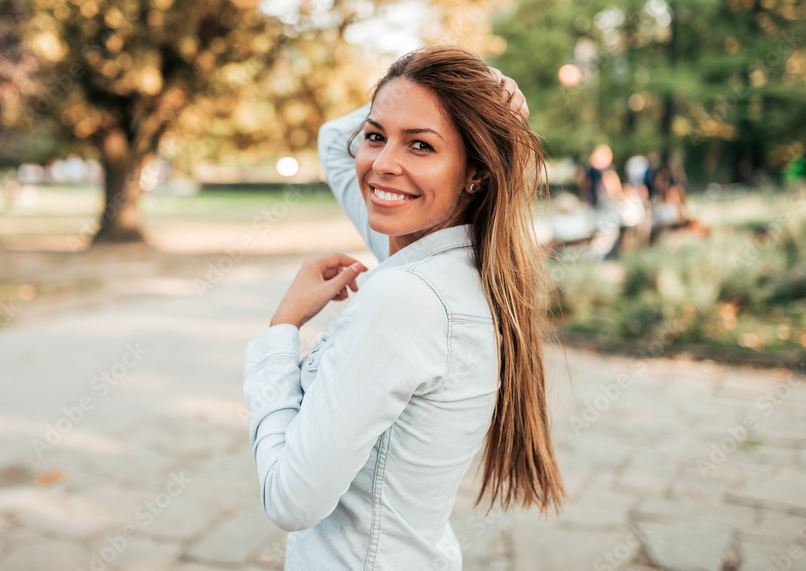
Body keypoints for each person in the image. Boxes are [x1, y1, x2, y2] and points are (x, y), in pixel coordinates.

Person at [242, 45, 566, 569]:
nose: (383, 165)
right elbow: (334, 142)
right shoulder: (458, 262)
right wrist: (463, 81)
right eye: (375, 136)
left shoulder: (407, 297)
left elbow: (290, 499)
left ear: (476, 172)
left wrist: (282, 330)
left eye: (420, 145)